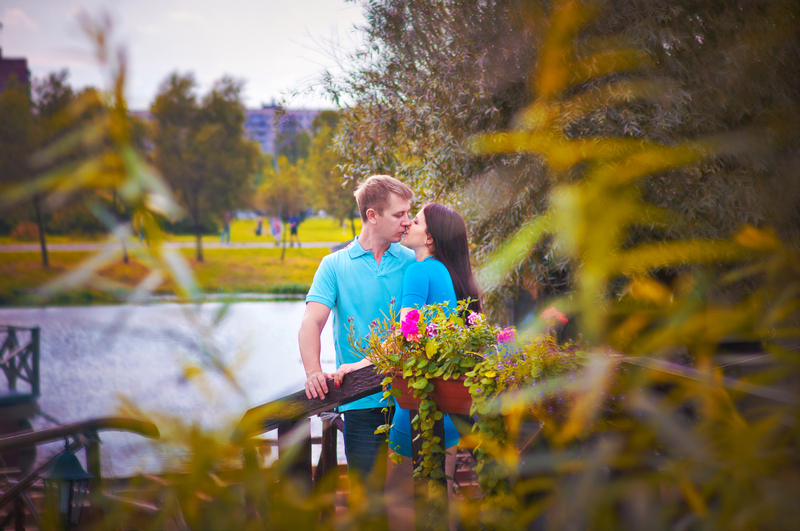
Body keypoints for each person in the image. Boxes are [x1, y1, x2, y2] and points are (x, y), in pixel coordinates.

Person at [332, 203, 481, 531]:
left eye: (415, 221)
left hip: (414, 413)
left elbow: (403, 335)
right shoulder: (444, 272)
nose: (407, 225)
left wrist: (358, 364)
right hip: (446, 411)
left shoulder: (418, 271)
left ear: (429, 238)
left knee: (400, 508)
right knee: (441, 508)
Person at [299, 175, 415, 491]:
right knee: (367, 498)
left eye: (408, 214)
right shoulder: (333, 265)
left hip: (410, 397)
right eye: (399, 214)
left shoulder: (412, 262)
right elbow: (311, 323)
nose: (407, 222)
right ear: (372, 215)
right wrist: (313, 372)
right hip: (360, 402)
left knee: (409, 498)